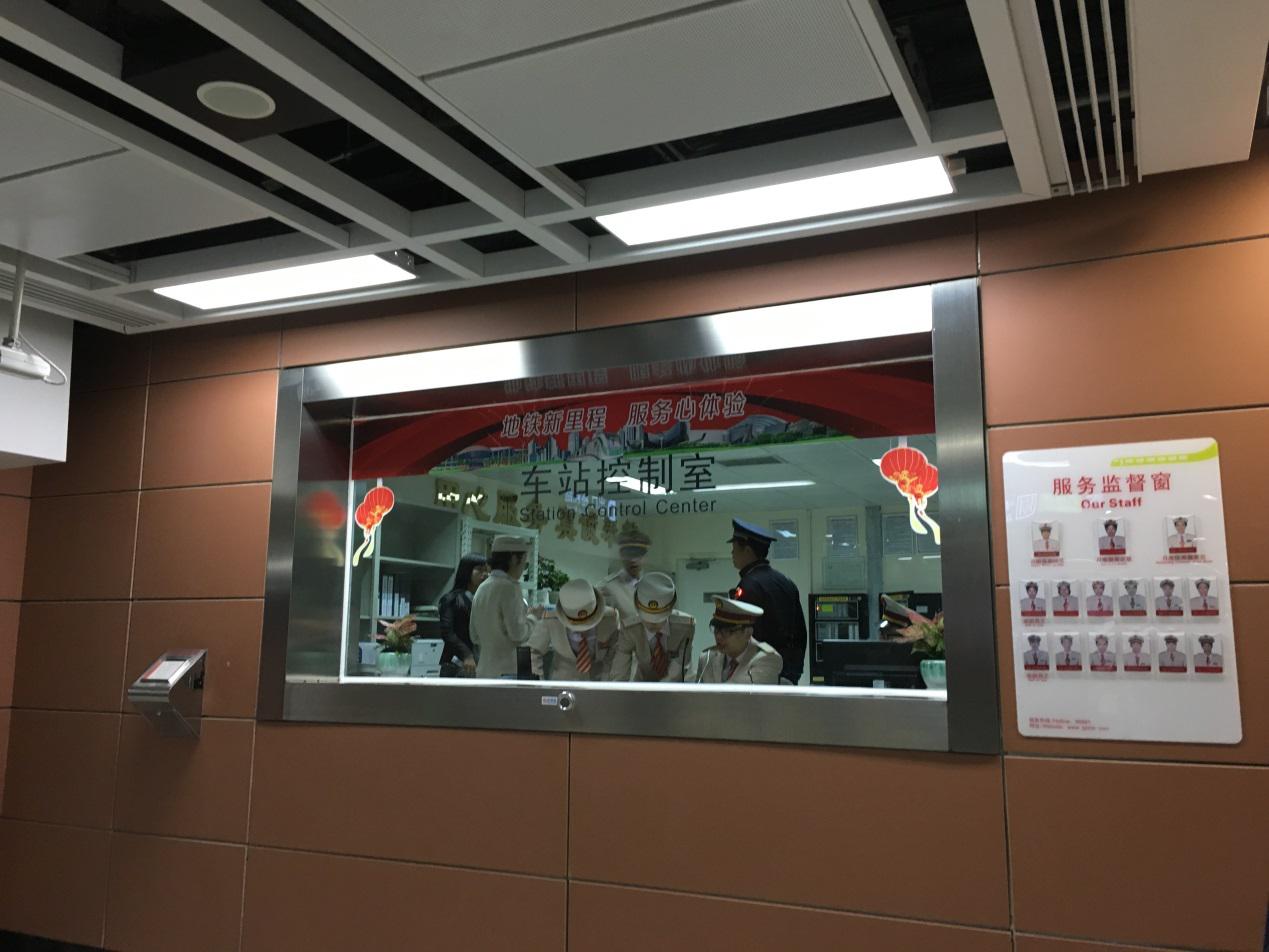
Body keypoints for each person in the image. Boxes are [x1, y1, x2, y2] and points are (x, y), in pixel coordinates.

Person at [727, 519, 807, 684]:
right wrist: (794, 672)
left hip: (759, 672)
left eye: (734, 548)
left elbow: (743, 634)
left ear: (747, 550)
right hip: (788, 674)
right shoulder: (785, 582)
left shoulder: (748, 585)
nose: (732, 553)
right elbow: (800, 632)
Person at [470, 535, 538, 678]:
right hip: (507, 673)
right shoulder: (510, 588)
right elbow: (518, 634)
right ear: (514, 559)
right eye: (524, 563)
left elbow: (474, 635)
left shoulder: (482, 587)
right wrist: (533, 617)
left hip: (484, 671)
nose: (522, 569)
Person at [608, 571, 695, 682]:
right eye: (647, 618)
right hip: (642, 684)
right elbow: (619, 670)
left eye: (658, 619)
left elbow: (677, 672)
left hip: (677, 686)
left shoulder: (685, 627)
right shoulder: (630, 629)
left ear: (670, 609)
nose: (652, 624)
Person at [529, 578, 618, 681]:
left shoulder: (610, 619)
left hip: (598, 683)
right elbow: (533, 651)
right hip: (562, 682)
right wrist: (538, 682)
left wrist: (607, 684)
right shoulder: (551, 620)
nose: (583, 630)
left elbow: (614, 654)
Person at [695, 596, 782, 685]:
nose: (718, 636)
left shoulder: (767, 659)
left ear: (747, 633)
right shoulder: (707, 657)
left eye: (727, 631)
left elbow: (737, 692)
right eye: (716, 629)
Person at [437, 553, 489, 675]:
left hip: (478, 662)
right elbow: (447, 632)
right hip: (457, 663)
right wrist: (467, 654)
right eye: (479, 570)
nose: (485, 574)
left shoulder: (481, 599)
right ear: (467, 571)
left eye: (486, 570)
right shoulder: (452, 599)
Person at [599, 528, 650, 628]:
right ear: (621, 555)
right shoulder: (607, 588)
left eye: (638, 555)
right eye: (629, 554)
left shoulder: (651, 587)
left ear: (645, 557)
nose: (633, 560)